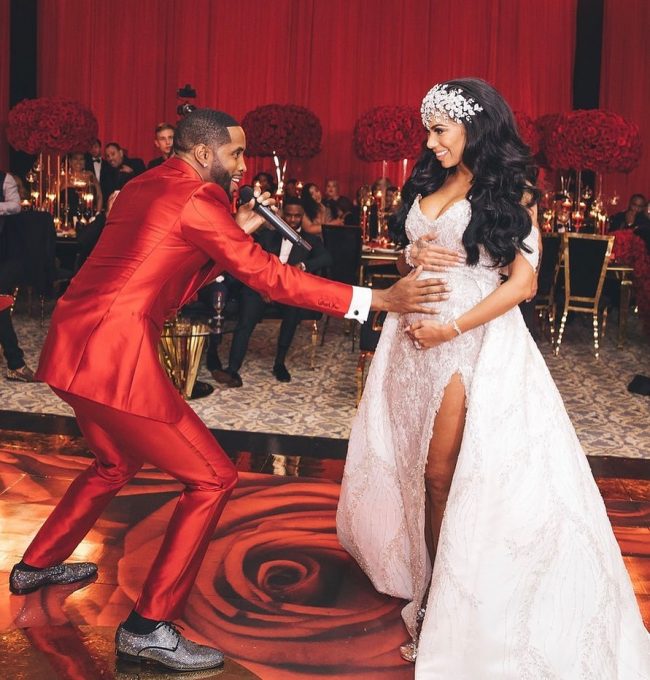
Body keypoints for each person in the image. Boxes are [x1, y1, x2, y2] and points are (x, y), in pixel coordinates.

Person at [8, 108, 447, 672]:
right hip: (111, 355)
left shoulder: (147, 183)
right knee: (213, 478)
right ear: (202, 153)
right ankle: (147, 628)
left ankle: (36, 566)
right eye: (236, 154)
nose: (243, 165)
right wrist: (376, 299)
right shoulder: (198, 197)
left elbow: (161, 255)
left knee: (114, 463)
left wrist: (232, 231)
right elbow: (268, 277)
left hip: (72, 341)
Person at [336, 79, 650, 677]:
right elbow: (408, 250)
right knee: (413, 463)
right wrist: (411, 258)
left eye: (440, 130)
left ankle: (442, 606)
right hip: (409, 343)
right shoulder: (426, 181)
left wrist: (450, 329)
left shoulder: (511, 194)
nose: (430, 143)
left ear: (473, 128)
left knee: (441, 474)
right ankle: (430, 575)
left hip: (467, 341)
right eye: (428, 131)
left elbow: (523, 285)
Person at [212, 197, 331, 386]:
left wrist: (303, 265)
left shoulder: (309, 241)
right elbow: (250, 262)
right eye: (289, 215)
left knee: (293, 308)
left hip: (287, 290)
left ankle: (279, 364)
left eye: (297, 216)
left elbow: (326, 258)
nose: (292, 220)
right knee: (246, 316)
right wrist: (262, 288)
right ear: (282, 215)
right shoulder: (268, 236)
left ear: (302, 216)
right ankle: (232, 369)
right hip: (262, 288)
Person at [0, 171, 37, 382]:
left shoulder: (4, 179)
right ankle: (15, 364)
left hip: (6, 252)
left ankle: (15, 363)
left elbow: (15, 206)